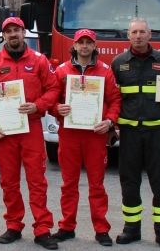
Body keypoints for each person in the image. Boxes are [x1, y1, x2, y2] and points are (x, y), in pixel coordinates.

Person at [0, 17, 61, 250]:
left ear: (24, 33)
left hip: (31, 128)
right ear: (3, 36)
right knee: (9, 182)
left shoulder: (39, 60)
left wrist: (38, 105)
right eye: (9, 31)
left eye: (17, 30)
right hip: (5, 132)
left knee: (37, 181)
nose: (13, 34)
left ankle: (42, 229)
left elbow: (53, 88)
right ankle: (14, 225)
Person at [50, 29, 121, 247]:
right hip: (69, 134)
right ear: (74, 45)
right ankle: (66, 226)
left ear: (94, 46)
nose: (84, 46)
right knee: (68, 184)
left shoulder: (105, 71)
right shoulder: (61, 71)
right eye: (80, 42)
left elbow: (115, 100)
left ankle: (101, 229)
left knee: (96, 185)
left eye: (88, 42)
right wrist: (56, 108)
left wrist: (109, 121)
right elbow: (51, 98)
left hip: (95, 135)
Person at [111, 17, 160, 249]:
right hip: (129, 133)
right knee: (129, 181)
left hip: (157, 132)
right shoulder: (118, 63)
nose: (138, 36)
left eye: (142, 32)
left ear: (150, 35)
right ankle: (132, 229)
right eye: (134, 32)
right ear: (128, 36)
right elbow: (111, 96)